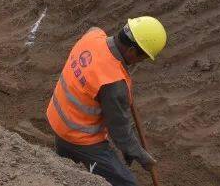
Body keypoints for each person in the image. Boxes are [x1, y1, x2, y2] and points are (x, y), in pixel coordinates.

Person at [45, 16, 167, 186]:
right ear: (132, 51)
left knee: (67, 171)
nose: (141, 61)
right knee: (126, 183)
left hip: (58, 119)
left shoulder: (93, 36)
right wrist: (140, 155)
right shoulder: (113, 83)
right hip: (78, 136)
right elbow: (120, 132)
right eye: (143, 57)